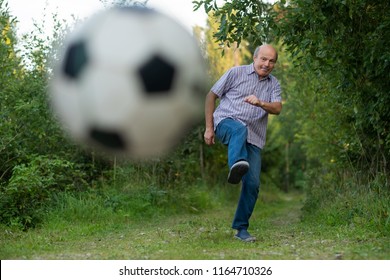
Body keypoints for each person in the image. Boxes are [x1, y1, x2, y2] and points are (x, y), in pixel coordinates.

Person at [203, 44, 282, 242]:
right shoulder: (235, 73)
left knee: (253, 184)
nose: (267, 64)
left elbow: (278, 108)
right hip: (226, 123)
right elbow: (211, 96)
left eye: (271, 61)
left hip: (254, 137)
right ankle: (236, 165)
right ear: (255, 58)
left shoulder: (274, 85)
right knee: (239, 128)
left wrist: (261, 103)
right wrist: (209, 128)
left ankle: (241, 229)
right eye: (263, 59)